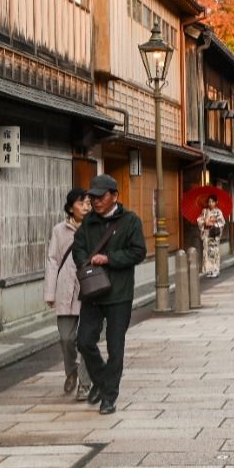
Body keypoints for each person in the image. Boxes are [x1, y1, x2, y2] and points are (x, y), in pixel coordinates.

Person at [73, 174, 146, 416]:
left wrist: (110, 259)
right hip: (93, 292)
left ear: (114, 196)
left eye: (100, 197)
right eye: (92, 197)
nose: (95, 201)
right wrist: (85, 260)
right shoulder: (88, 223)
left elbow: (138, 252)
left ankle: (108, 396)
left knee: (116, 347)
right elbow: (78, 247)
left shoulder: (130, 221)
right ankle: (102, 380)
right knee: (83, 341)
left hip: (119, 293)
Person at [44, 189, 92, 401]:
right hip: (65, 290)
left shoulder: (95, 228)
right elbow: (52, 260)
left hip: (89, 289)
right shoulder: (59, 230)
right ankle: (71, 370)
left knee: (86, 340)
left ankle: (84, 384)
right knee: (66, 339)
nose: (86, 206)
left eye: (88, 203)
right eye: (82, 202)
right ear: (71, 206)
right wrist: (50, 291)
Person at [199, 195, 227, 278]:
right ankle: (209, 270)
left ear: (216, 202)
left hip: (214, 234)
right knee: (207, 252)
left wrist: (213, 223)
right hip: (207, 233)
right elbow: (199, 220)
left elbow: (222, 222)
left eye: (212, 202)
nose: (210, 203)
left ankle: (216, 270)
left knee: (214, 252)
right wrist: (203, 222)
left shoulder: (218, 212)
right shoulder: (204, 211)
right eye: (209, 202)